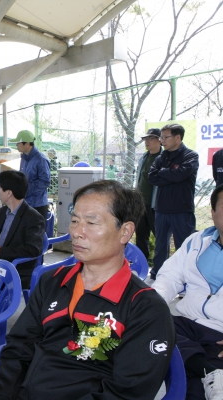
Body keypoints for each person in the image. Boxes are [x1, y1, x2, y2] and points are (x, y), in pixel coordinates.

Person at [0, 180, 176, 400]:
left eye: (91, 223)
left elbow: (127, 393)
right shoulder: (52, 282)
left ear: (125, 232)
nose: (77, 232)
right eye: (74, 220)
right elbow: (18, 349)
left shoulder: (146, 308)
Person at [153, 185, 223, 400]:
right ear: (212, 213)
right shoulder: (197, 241)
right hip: (185, 323)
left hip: (219, 333)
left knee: (192, 386)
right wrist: (150, 304)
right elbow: (170, 277)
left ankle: (206, 372)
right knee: (150, 326)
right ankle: (210, 373)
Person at [148, 123, 199, 281]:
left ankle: (186, 278)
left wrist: (163, 173)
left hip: (182, 210)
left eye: (165, 137)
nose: (162, 140)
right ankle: (158, 274)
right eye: (161, 137)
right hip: (161, 209)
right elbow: (152, 178)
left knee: (184, 246)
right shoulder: (161, 157)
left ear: (178, 137)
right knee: (161, 245)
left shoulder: (190, 156)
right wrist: (171, 174)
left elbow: (180, 175)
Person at [0, 170, 45, 288]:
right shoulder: (1, 213)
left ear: (9, 193)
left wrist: (1, 251)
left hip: (16, 269)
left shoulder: (33, 218)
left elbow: (34, 249)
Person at [135, 128, 162, 263]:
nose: (147, 142)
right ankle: (142, 263)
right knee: (141, 235)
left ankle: (159, 266)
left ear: (159, 140)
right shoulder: (144, 157)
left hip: (156, 204)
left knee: (159, 236)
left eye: (151, 138)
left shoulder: (163, 158)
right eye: (146, 139)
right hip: (141, 203)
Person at [10, 130, 51, 220]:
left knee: (35, 233)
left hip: (37, 206)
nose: (16, 145)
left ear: (27, 144)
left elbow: (45, 182)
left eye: (18, 143)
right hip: (25, 203)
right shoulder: (24, 158)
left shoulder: (41, 159)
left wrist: (26, 189)